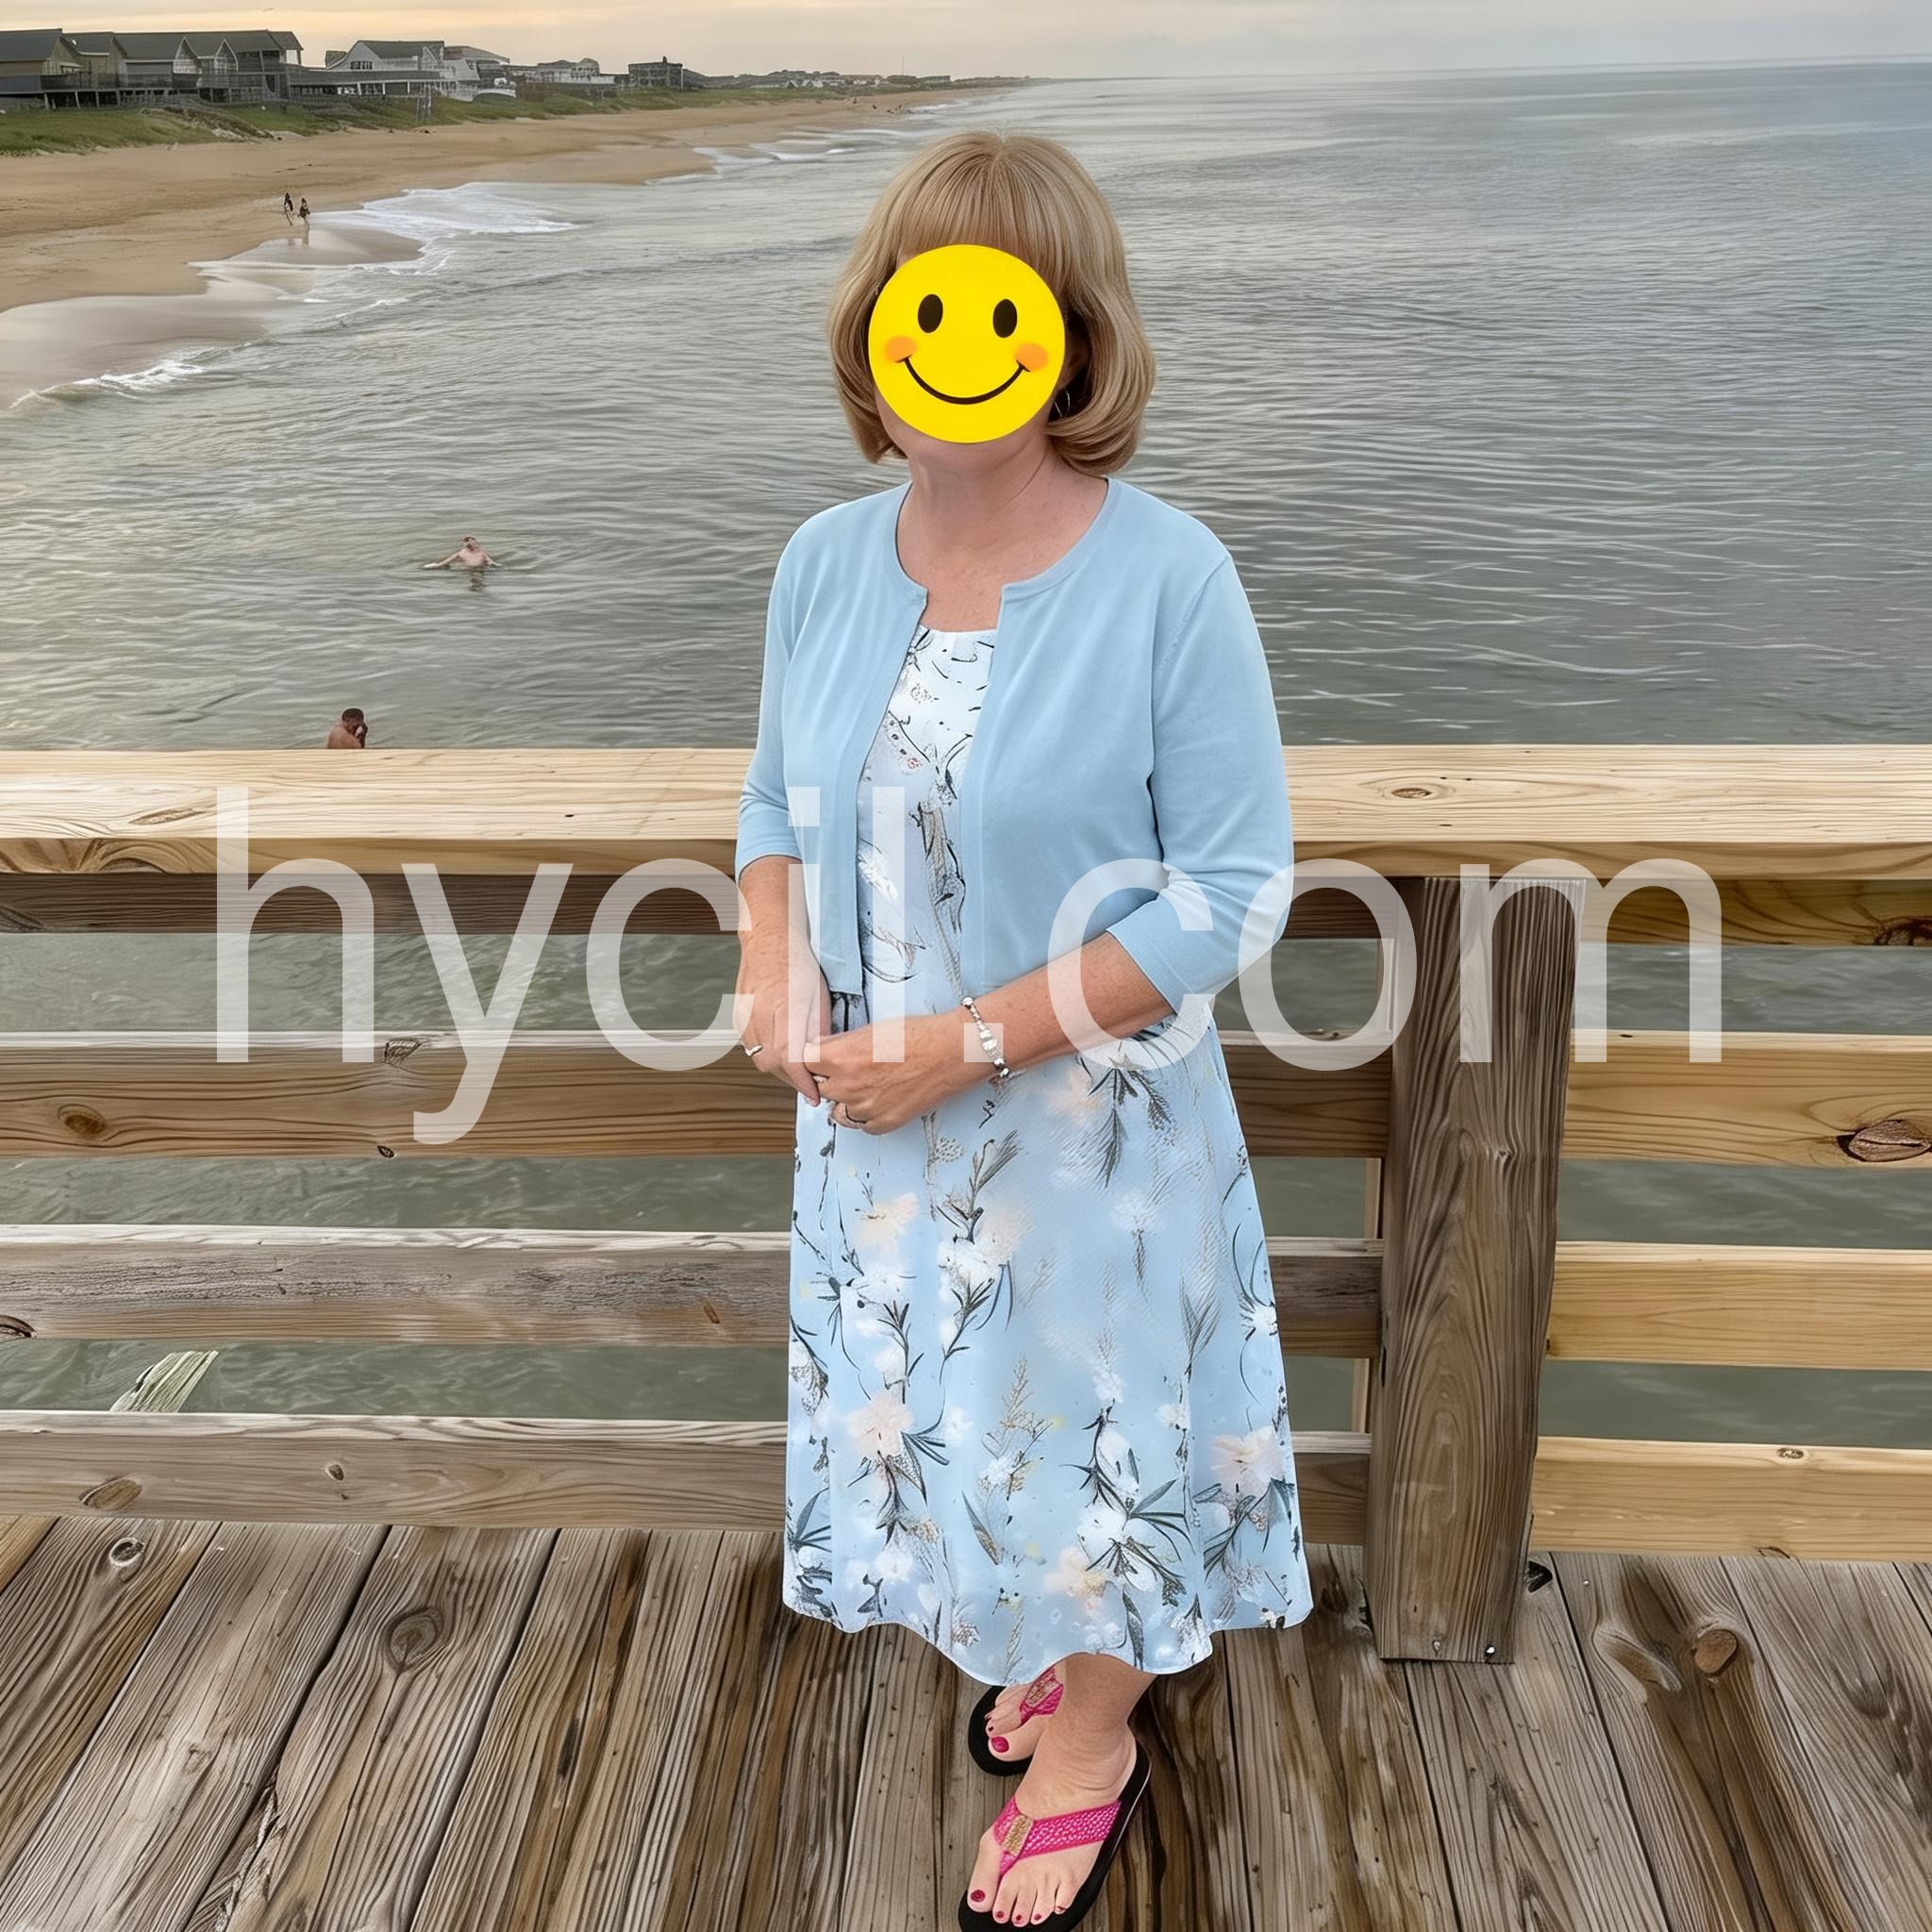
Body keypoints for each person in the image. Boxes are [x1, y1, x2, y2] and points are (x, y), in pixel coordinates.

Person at [733, 131, 1309, 1932]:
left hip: (1088, 1131)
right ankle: (1040, 1640)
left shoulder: (1167, 574)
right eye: (918, 305)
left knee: (1102, 1432)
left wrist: (965, 1042)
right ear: (873, 327)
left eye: (996, 309)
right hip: (878, 1127)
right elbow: (769, 800)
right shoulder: (823, 560)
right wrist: (771, 952)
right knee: (961, 1415)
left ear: (1068, 337)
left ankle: (1095, 1733)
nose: (951, 344)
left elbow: (1229, 894)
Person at [423, 536, 494, 570]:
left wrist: (494, 565)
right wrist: (433, 566)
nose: (474, 545)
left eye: (474, 543)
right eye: (472, 543)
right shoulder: (460, 554)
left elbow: (490, 562)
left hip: (482, 569)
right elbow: (445, 562)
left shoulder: (481, 552)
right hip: (469, 570)